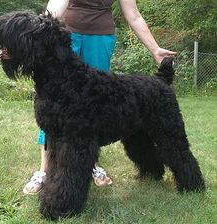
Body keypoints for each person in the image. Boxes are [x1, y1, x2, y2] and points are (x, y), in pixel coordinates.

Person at [23, 0, 177, 194]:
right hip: (66, 34)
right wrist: (41, 27)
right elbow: (57, 4)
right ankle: (44, 171)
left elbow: (133, 14)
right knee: (54, 107)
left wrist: (155, 49)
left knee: (93, 114)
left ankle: (92, 167)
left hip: (100, 37)